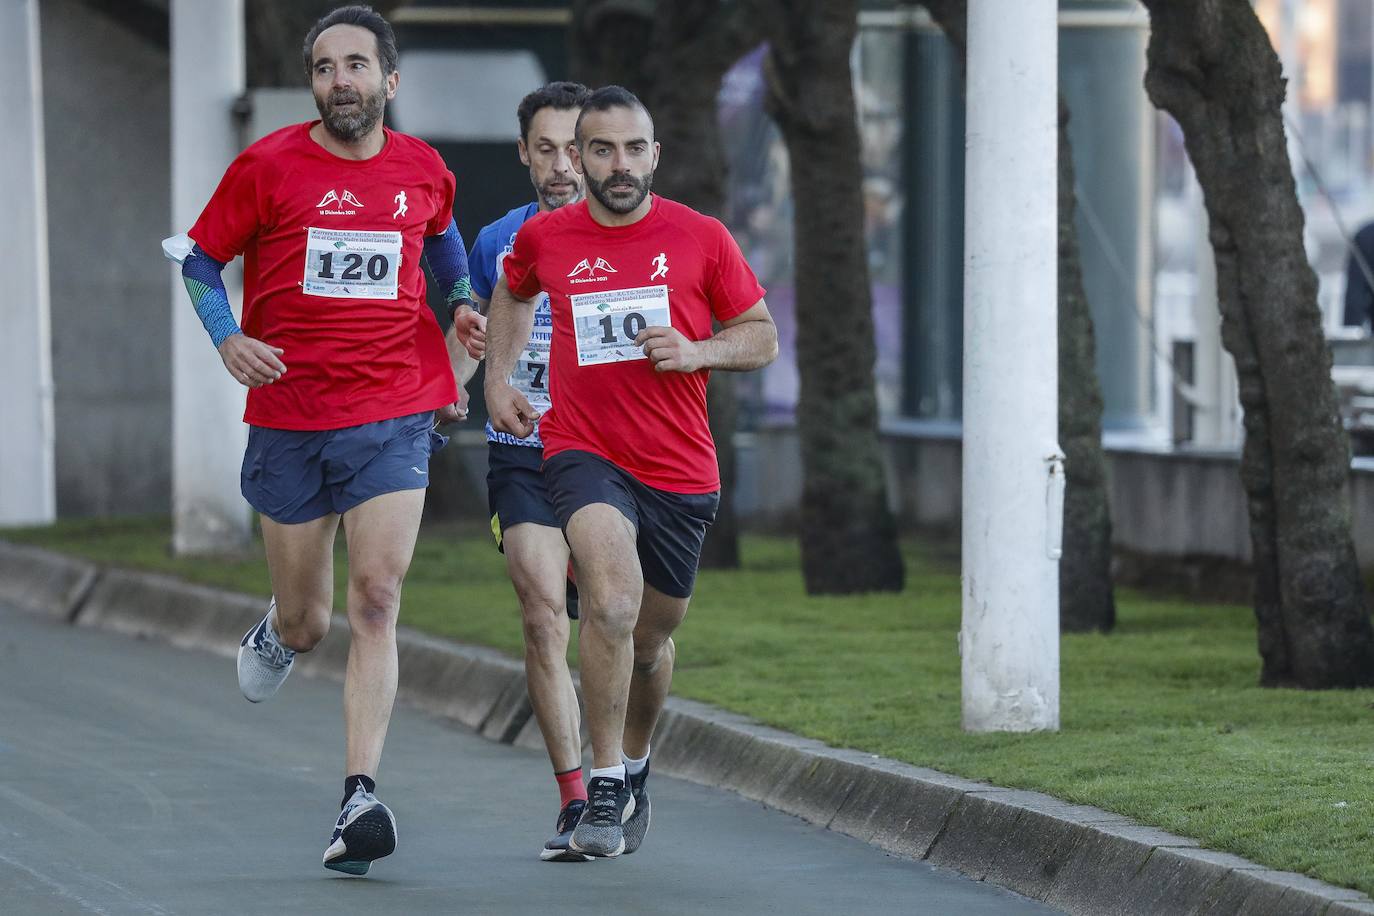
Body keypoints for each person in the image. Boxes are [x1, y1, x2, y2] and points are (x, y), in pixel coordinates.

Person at [166, 5, 473, 876]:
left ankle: (360, 796)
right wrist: (228, 336)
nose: (342, 81)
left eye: (357, 66)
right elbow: (198, 261)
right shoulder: (266, 166)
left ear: (389, 81)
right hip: (291, 416)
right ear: (314, 84)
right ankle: (278, 631)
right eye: (326, 68)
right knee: (310, 620)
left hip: (393, 408)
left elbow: (444, 241)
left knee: (377, 598)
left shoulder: (423, 169)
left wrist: (459, 304)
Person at [483, 85, 779, 859]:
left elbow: (762, 337)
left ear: (656, 155)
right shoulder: (550, 237)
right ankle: (603, 783)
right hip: (583, 451)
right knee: (609, 603)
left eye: (634, 148)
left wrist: (699, 350)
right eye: (603, 149)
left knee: (650, 640)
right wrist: (498, 378)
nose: (620, 165)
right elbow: (511, 291)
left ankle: (637, 761)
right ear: (578, 158)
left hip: (680, 467)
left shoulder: (701, 237)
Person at [453, 81, 595, 862]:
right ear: (523, 153)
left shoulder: (637, 239)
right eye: (545, 149)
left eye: (576, 148)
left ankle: (620, 773)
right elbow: (470, 326)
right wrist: (454, 390)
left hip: (610, 456)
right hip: (523, 454)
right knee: (544, 616)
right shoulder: (498, 240)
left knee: (622, 624)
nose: (562, 166)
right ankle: (575, 798)